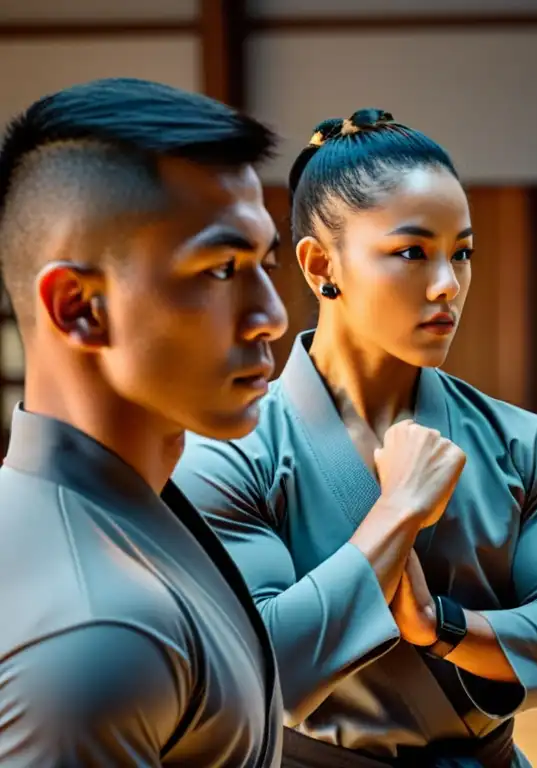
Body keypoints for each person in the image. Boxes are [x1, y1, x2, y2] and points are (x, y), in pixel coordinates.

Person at [172, 109, 537, 768]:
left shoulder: (520, 439)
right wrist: (397, 512)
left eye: (461, 252)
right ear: (323, 263)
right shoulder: (228, 448)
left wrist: (442, 628)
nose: (447, 285)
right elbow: (256, 674)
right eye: (412, 252)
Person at [0, 78, 288, 766]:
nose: (272, 314)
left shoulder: (125, 505)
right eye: (221, 269)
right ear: (79, 306)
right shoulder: (97, 635)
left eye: (265, 263)